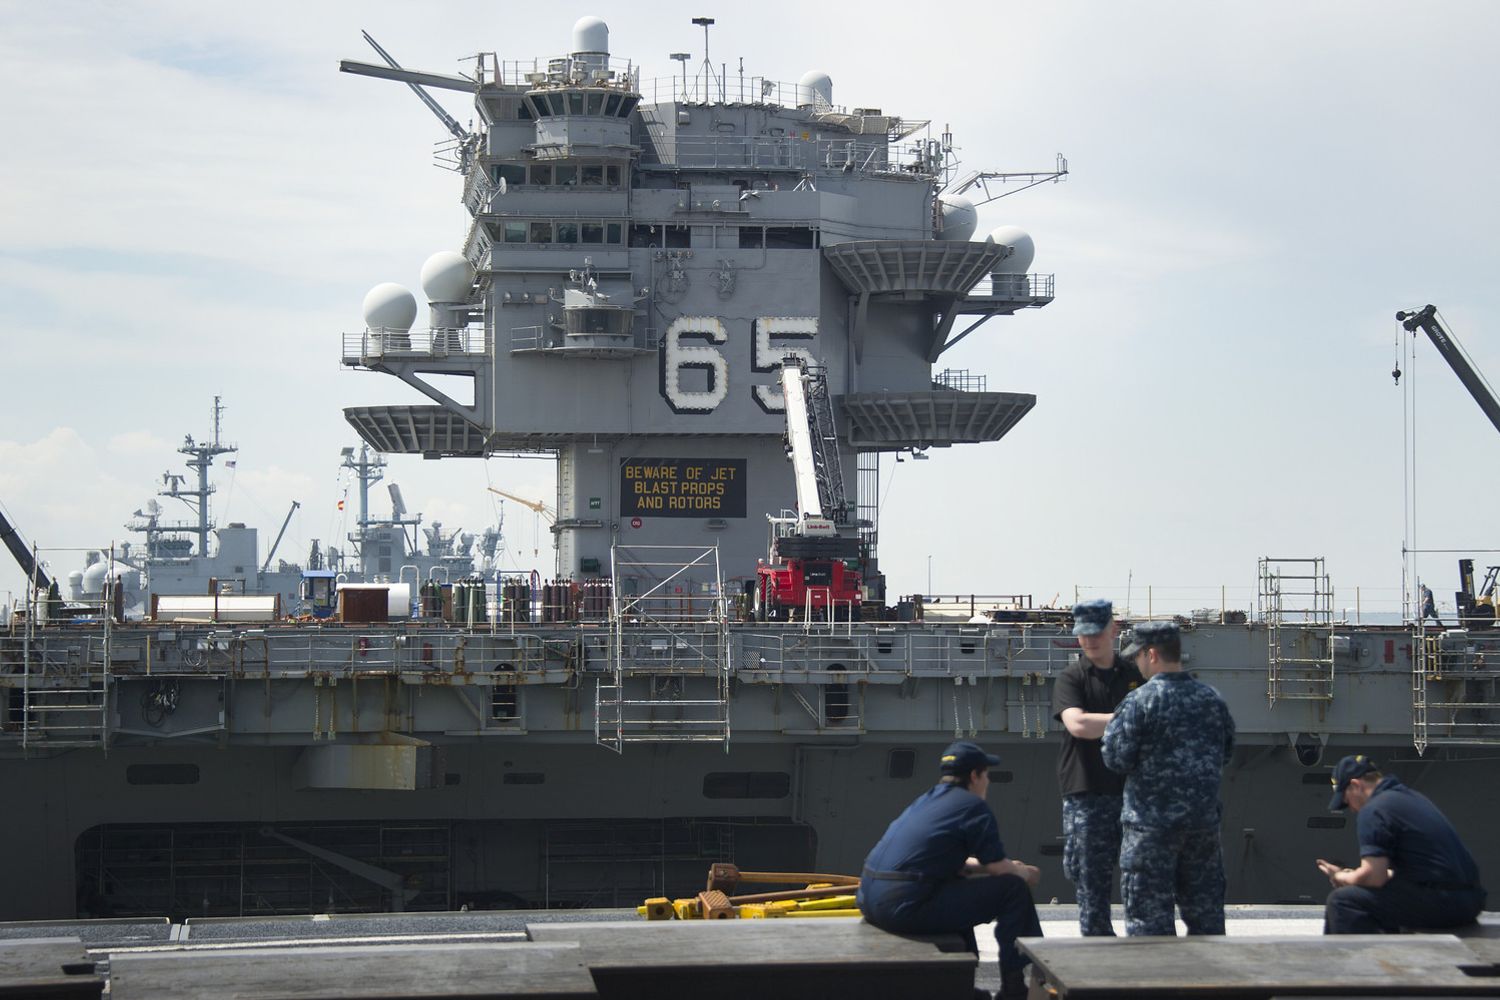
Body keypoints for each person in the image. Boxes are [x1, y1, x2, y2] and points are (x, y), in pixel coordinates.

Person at [857, 741, 1043, 1000]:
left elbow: (940, 859)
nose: (987, 782)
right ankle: (1015, 988)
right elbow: (999, 867)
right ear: (975, 776)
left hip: (870, 901)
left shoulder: (926, 800)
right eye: (986, 775)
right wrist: (1022, 872)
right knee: (1014, 889)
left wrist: (1002, 868)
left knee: (957, 886)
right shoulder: (972, 806)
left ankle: (961, 984)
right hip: (904, 907)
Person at [1101, 620, 1235, 936]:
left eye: (1137, 657)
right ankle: (1214, 984)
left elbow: (1115, 758)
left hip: (1151, 827)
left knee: (1149, 925)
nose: (1135, 663)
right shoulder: (1211, 699)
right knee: (1207, 921)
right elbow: (1226, 752)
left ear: (1151, 654)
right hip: (1201, 826)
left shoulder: (1140, 701)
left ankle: (1158, 985)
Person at [1051, 599, 1143, 936]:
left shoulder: (1134, 675)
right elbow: (1078, 726)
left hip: (1133, 792)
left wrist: (1106, 722)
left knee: (1142, 877)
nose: (1089, 641)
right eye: (1083, 634)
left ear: (1113, 629)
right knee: (1092, 884)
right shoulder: (1071, 677)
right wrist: (1133, 719)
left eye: (1096, 633)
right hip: (1086, 793)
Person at [1317, 754, 1486, 934]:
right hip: (1470, 900)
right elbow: (1412, 871)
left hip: (1444, 902)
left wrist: (1341, 877)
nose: (1350, 808)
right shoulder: (1411, 798)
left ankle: (1360, 962)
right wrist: (1355, 874)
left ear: (1355, 785)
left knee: (1342, 901)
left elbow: (1374, 878)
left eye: (1346, 800)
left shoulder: (1374, 810)